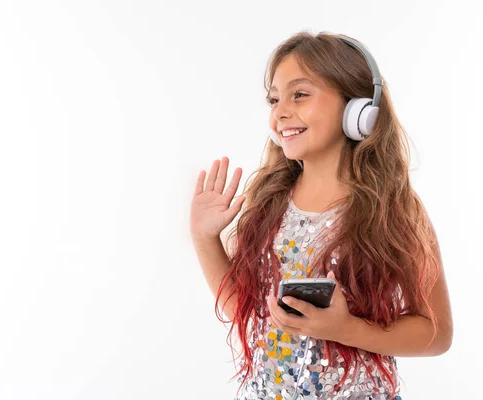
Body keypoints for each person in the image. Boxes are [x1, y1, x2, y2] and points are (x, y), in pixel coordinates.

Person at [190, 31, 453, 400]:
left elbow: (436, 333)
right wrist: (204, 238)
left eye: (300, 94)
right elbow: (247, 312)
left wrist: (345, 329)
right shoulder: (269, 204)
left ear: (357, 109)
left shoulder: (392, 207)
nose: (280, 112)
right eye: (274, 99)